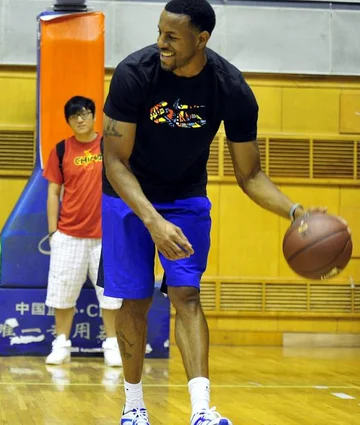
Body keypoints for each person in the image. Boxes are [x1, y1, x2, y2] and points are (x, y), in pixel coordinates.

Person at [99, 1, 349, 424]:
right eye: (159, 32)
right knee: (135, 299)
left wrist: (295, 211)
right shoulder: (134, 74)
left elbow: (250, 174)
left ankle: (201, 412)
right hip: (126, 195)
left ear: (202, 39)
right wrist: (154, 222)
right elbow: (114, 162)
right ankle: (134, 405)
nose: (160, 42)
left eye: (172, 36)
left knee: (187, 295)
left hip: (185, 196)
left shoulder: (230, 88)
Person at [42, 96, 122, 367]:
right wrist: (53, 232)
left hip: (106, 236)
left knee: (111, 296)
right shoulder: (62, 150)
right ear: (68, 121)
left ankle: (112, 344)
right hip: (69, 235)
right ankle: (62, 344)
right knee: (62, 294)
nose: (80, 119)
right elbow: (53, 192)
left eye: (85, 113)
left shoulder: (109, 145)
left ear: (93, 116)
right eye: (74, 116)